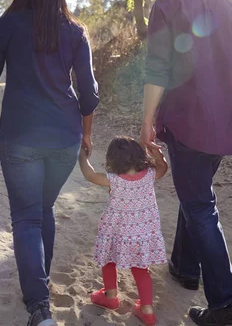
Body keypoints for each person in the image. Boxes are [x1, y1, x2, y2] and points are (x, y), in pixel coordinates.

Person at [0, 0, 99, 326]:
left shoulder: (7, 26)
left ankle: (39, 307)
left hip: (20, 135)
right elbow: (89, 94)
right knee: (43, 208)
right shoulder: (75, 32)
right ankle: (39, 284)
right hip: (64, 138)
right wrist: (86, 134)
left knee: (27, 216)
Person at [140, 0, 232, 325]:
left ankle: (226, 304)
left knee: (200, 204)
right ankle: (185, 267)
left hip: (187, 120)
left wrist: (147, 122)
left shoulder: (168, 5)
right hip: (224, 124)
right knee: (196, 193)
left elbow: (158, 67)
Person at [78, 136, 168, 326]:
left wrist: (82, 156)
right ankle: (147, 310)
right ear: (140, 155)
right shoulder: (150, 174)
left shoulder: (115, 180)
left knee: (109, 260)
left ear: (113, 160)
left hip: (116, 232)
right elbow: (163, 168)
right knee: (141, 269)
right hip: (142, 233)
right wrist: (158, 155)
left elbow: (90, 175)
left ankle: (110, 297)